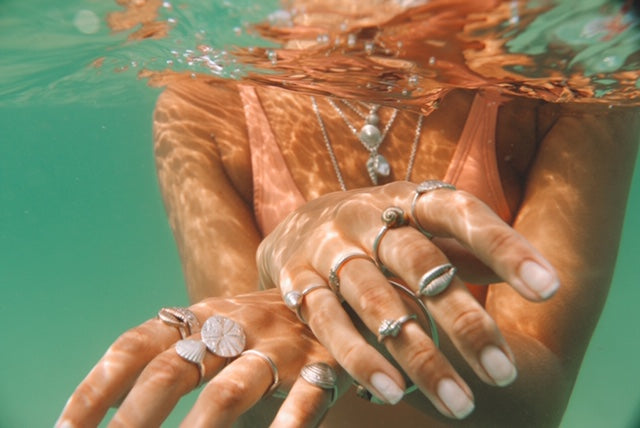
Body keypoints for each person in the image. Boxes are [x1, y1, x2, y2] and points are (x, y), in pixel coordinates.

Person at [57, 1, 640, 426]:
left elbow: (535, 403)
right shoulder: (204, 106)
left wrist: (412, 335)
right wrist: (283, 265)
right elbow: (251, 384)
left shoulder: (572, 91)